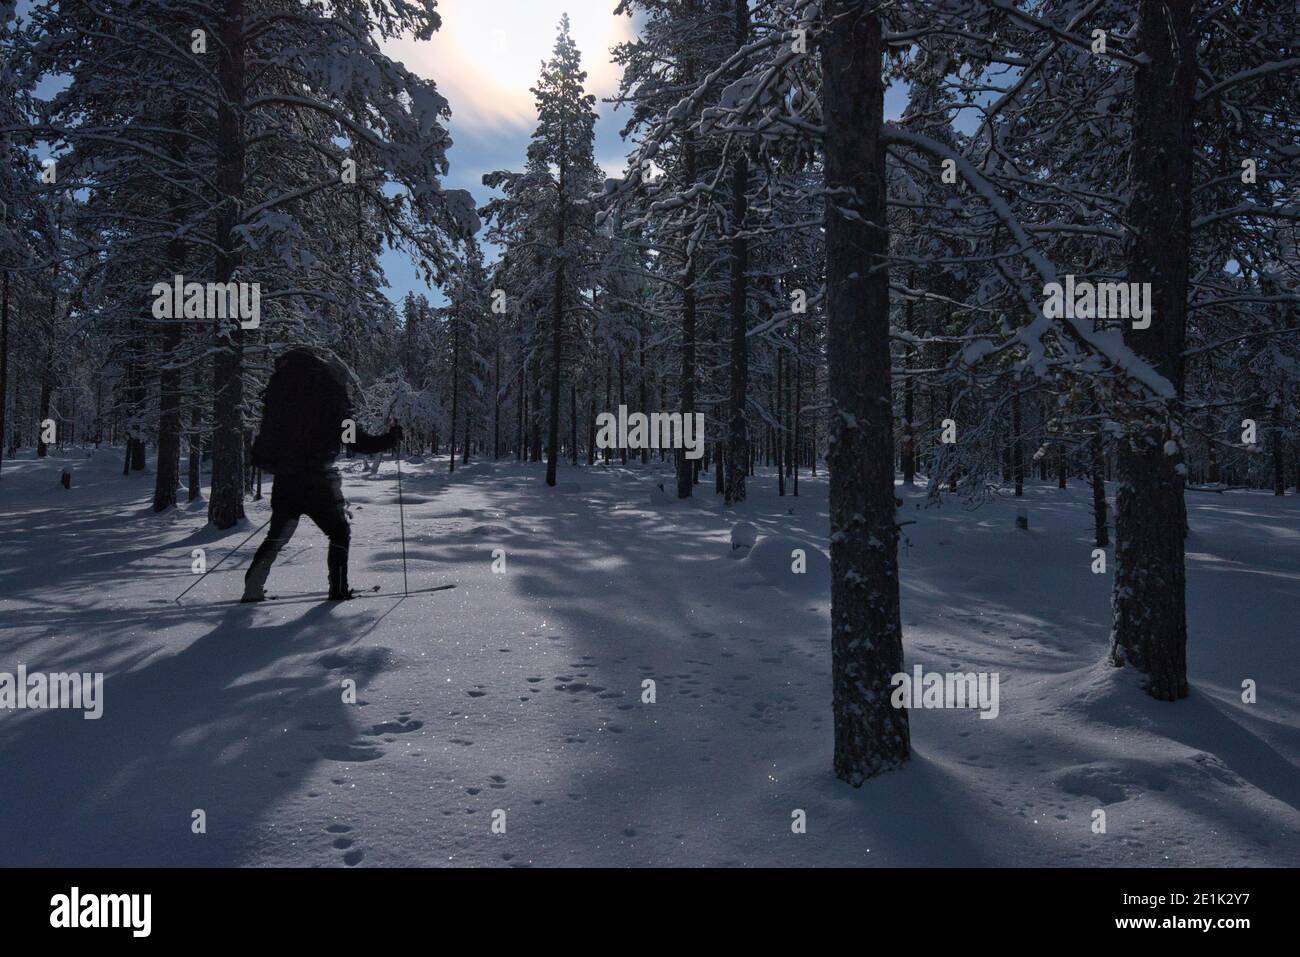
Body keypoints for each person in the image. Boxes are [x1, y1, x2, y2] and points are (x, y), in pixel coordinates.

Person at [243, 347, 400, 602]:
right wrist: (390, 439)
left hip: (285, 480)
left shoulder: (283, 402)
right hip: (317, 480)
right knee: (339, 532)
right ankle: (338, 589)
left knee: (277, 535)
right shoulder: (330, 403)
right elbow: (357, 442)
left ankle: (252, 587)